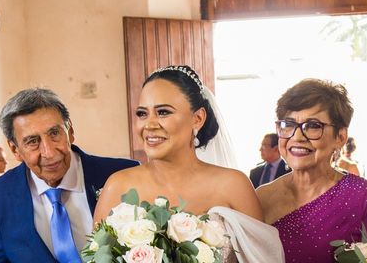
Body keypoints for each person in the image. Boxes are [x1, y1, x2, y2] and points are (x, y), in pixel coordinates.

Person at [94, 65, 285, 263]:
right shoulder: (118, 186)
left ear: (198, 118)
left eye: (163, 112)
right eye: (142, 113)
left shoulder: (233, 185)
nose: (149, 125)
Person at [0, 88, 138, 263]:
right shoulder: (0, 194)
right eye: (33, 141)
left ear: (70, 131)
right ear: (15, 150)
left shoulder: (123, 175)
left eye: (54, 133)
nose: (49, 152)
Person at [257, 78, 367, 263]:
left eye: (313, 126)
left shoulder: (364, 198)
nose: (297, 137)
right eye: (288, 124)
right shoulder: (262, 197)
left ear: (340, 137)